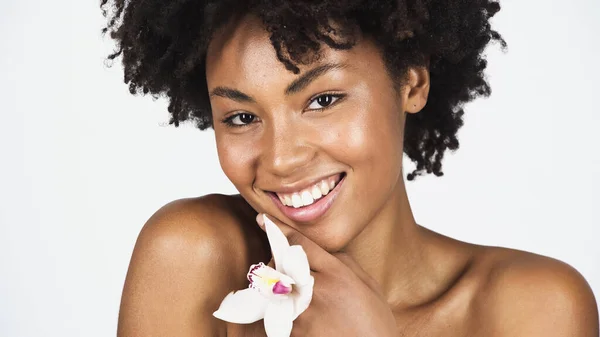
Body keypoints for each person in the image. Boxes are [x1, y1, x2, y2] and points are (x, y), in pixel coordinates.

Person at [100, 0, 599, 336]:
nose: (281, 158)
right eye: (242, 117)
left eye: (323, 99)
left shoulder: (533, 310)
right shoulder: (195, 257)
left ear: (411, 82)